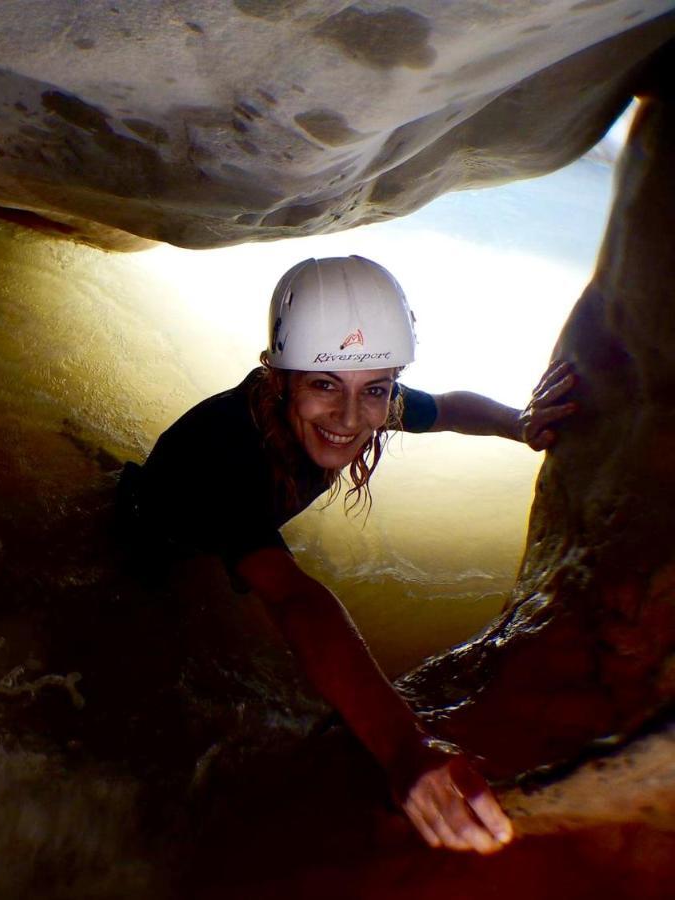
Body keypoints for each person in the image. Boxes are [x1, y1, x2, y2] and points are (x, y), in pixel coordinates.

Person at [118, 255, 578, 854]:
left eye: (377, 391)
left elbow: (445, 406)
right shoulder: (223, 456)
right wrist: (402, 749)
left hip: (216, 526)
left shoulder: (362, 396)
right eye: (324, 386)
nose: (351, 418)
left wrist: (520, 424)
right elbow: (294, 598)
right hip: (149, 532)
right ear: (278, 378)